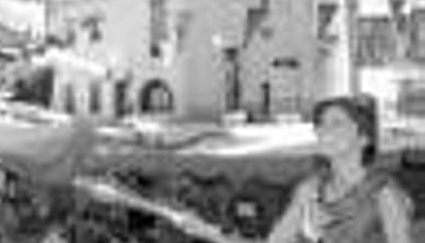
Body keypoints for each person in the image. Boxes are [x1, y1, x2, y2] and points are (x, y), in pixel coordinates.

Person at [177, 94, 414, 243]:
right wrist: (209, 233)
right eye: (320, 125)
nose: (324, 131)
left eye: (337, 124)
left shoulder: (384, 194)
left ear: (364, 138)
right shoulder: (310, 190)